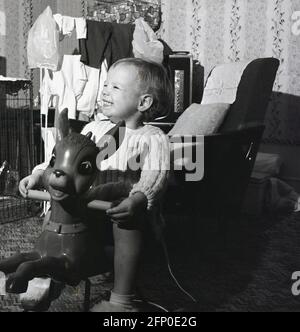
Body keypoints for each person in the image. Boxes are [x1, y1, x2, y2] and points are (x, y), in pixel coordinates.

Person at [19, 58, 173, 312]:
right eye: (106, 85)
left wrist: (138, 198)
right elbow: (62, 161)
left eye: (115, 87)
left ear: (143, 102)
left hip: (124, 211)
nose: (104, 91)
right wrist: (38, 175)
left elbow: (155, 177)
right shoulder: (94, 128)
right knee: (59, 207)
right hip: (88, 206)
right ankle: (44, 273)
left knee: (126, 220)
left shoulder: (152, 138)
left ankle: (121, 299)